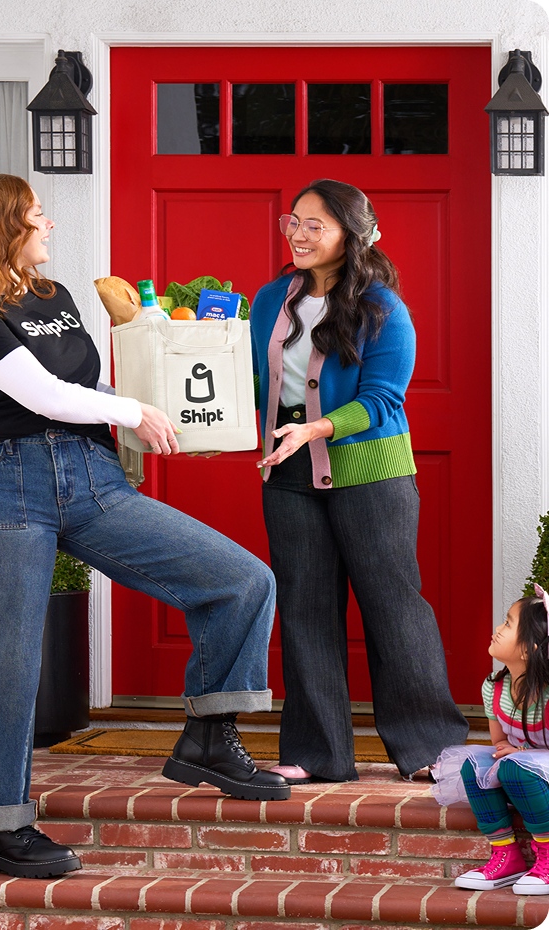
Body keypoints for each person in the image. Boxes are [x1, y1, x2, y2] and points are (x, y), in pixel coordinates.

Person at [0, 174, 289, 880]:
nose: (49, 225)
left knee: (240, 580)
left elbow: (83, 386)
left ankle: (206, 735)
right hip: (8, 485)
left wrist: (155, 403)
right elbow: (37, 392)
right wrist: (132, 412)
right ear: (1, 225)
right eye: (37, 215)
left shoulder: (55, 296)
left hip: (92, 478)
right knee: (1, 657)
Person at [250, 178, 468, 784]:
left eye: (314, 225)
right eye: (292, 222)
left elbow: (382, 400)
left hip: (371, 472)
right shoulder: (269, 300)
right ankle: (318, 753)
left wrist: (315, 428)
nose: (297, 234)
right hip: (287, 470)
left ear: (351, 234)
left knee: (393, 606)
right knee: (305, 606)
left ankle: (430, 748)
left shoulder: (384, 309)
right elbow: (250, 381)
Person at [431, 587, 549, 894]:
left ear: (529, 649)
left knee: (514, 767)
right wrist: (516, 754)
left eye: (508, 624)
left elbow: (516, 753)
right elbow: (499, 744)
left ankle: (547, 855)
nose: (498, 629)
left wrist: (521, 753)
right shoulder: (494, 687)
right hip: (526, 768)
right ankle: (505, 855)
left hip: (538, 769)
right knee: (474, 765)